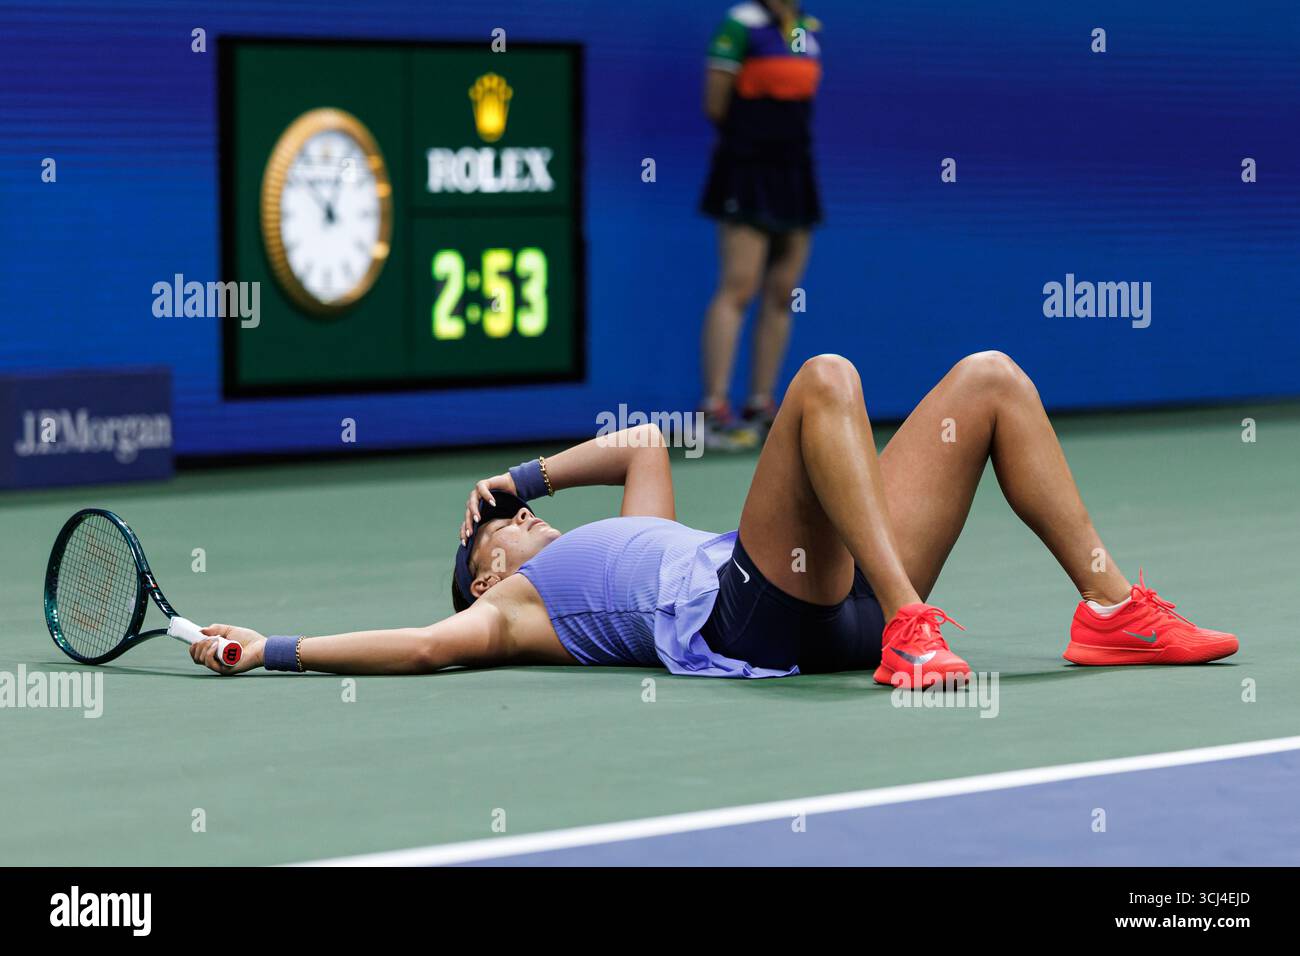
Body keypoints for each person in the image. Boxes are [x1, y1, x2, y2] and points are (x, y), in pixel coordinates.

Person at [191, 352, 1239, 683]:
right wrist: (272, 645)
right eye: (493, 532)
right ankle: (913, 623)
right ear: (481, 569)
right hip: (750, 612)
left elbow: (644, 445)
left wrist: (523, 478)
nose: (513, 528)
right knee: (823, 379)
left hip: (824, 595)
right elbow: (421, 646)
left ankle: (1110, 607)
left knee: (992, 379)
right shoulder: (515, 607)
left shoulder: (606, 530)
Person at [698, 0, 824, 450]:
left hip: (796, 169)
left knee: (784, 289)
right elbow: (716, 103)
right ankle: (713, 412)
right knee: (739, 286)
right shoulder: (739, 26)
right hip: (746, 168)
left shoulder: (807, 28)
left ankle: (760, 406)